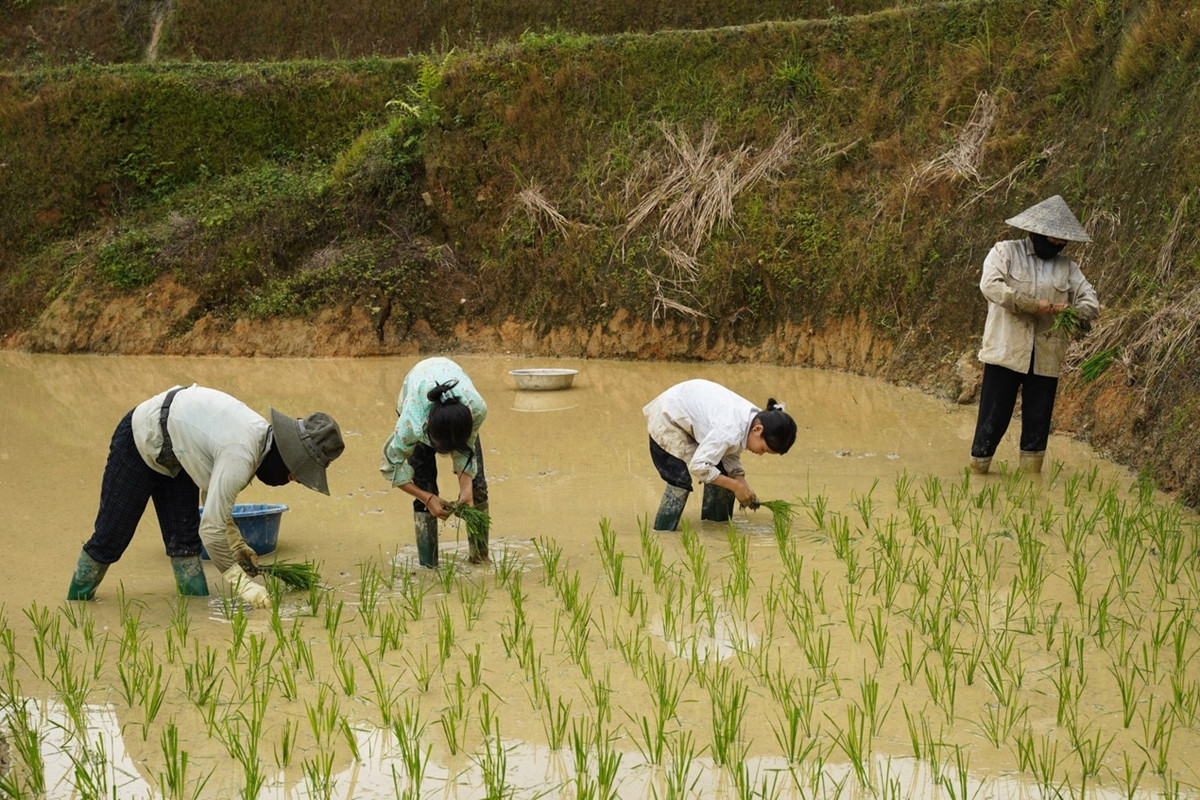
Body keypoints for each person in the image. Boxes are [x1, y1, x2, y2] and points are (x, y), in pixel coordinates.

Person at [67, 384, 345, 607]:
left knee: (185, 545)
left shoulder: (258, 444)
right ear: (287, 455)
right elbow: (211, 530)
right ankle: (77, 605)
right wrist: (241, 584)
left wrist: (237, 547)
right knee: (110, 538)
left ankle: (194, 615)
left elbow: (213, 501)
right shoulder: (243, 452)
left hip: (178, 456)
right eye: (296, 472)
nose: (293, 479)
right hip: (141, 439)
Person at [969, 195, 1099, 474]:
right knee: (993, 419)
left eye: (1062, 242)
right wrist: (1033, 305)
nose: (1058, 245)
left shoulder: (1068, 268)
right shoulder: (1004, 252)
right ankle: (978, 472)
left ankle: (1031, 483)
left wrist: (1072, 313)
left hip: (1046, 357)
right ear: (1036, 233)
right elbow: (990, 286)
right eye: (1053, 240)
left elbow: (1090, 302)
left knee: (1037, 427)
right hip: (1006, 353)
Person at [644, 379, 797, 531]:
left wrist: (740, 480)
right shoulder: (730, 428)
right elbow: (698, 466)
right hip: (667, 418)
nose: (760, 454)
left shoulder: (755, 419)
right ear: (757, 429)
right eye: (763, 449)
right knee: (679, 480)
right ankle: (663, 531)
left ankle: (715, 528)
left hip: (690, 416)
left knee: (724, 475)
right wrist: (736, 486)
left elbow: (729, 451)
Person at [381, 357, 489, 567]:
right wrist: (427, 497)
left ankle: (480, 558)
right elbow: (390, 466)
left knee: (477, 489)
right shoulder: (411, 424)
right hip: (416, 399)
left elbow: (467, 453)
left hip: (456, 415)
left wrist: (466, 490)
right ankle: (428, 566)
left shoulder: (476, 410)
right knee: (424, 482)